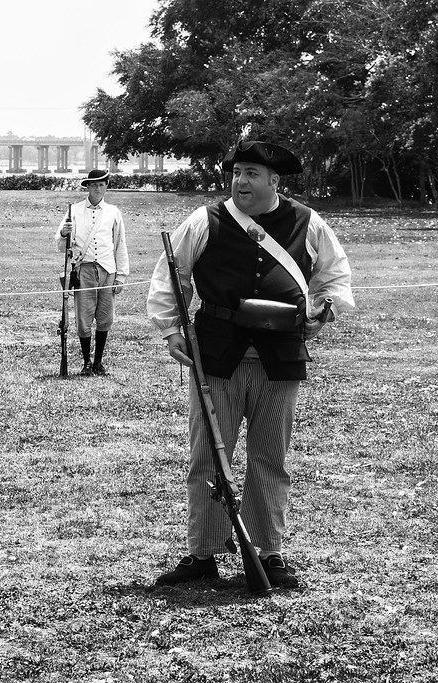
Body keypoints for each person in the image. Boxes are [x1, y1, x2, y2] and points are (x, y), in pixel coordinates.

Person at [147, 140, 354, 588]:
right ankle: (203, 552)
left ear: (274, 181)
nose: (241, 181)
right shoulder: (205, 220)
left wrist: (325, 310)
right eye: (238, 172)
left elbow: (334, 275)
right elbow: (172, 274)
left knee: (270, 457)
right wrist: (170, 330)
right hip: (219, 354)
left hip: (279, 356)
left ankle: (269, 552)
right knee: (206, 458)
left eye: (252, 174)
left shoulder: (306, 221)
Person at [55, 169, 130, 375]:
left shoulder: (114, 212)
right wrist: (64, 233)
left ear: (106, 186)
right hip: (84, 269)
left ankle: (98, 362)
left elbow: (120, 244)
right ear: (87, 187)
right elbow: (60, 245)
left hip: (108, 270)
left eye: (102, 185)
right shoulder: (75, 210)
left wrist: (121, 275)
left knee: (106, 317)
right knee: (84, 318)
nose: (98, 188)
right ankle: (86, 362)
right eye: (94, 185)